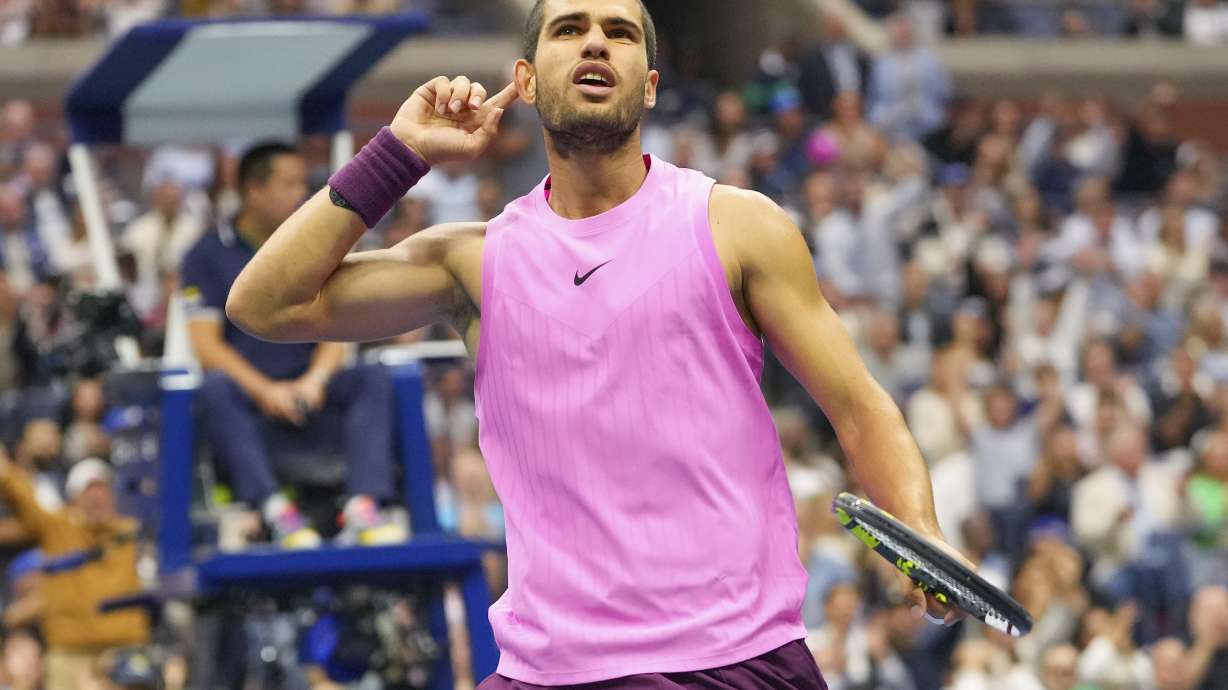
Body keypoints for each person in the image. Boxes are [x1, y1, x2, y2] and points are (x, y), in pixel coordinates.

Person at [225, 0, 974, 686]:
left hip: (734, 661)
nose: (595, 42)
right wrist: (398, 152)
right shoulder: (474, 259)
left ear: (647, 86)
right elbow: (264, 304)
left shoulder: (737, 225)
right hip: (549, 670)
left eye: (618, 32)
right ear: (523, 79)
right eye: (569, 28)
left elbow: (859, 406)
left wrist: (922, 529)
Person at [180, 142, 403, 549]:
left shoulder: (319, 243)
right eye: (288, 184)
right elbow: (206, 347)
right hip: (252, 402)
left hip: (311, 395)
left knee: (371, 376)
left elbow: (342, 327)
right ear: (253, 190)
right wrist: (267, 392)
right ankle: (275, 511)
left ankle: (364, 505)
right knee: (213, 389)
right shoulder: (205, 256)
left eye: (302, 183)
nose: (301, 194)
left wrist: (314, 381)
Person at [0, 454, 149, 690]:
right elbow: (23, 497)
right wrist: (5, 471)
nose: (97, 497)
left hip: (123, 651)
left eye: (103, 488)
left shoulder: (130, 531)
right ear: (74, 497)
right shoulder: (59, 527)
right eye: (88, 490)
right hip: (70, 655)